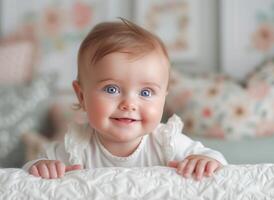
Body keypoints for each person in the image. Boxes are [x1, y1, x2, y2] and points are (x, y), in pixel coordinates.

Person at [23, 18, 227, 180]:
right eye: (111, 89)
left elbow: (219, 161)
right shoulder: (76, 146)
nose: (128, 104)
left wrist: (204, 161)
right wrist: (41, 167)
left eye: (146, 93)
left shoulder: (167, 142)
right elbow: (24, 174)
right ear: (82, 95)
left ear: (163, 99)